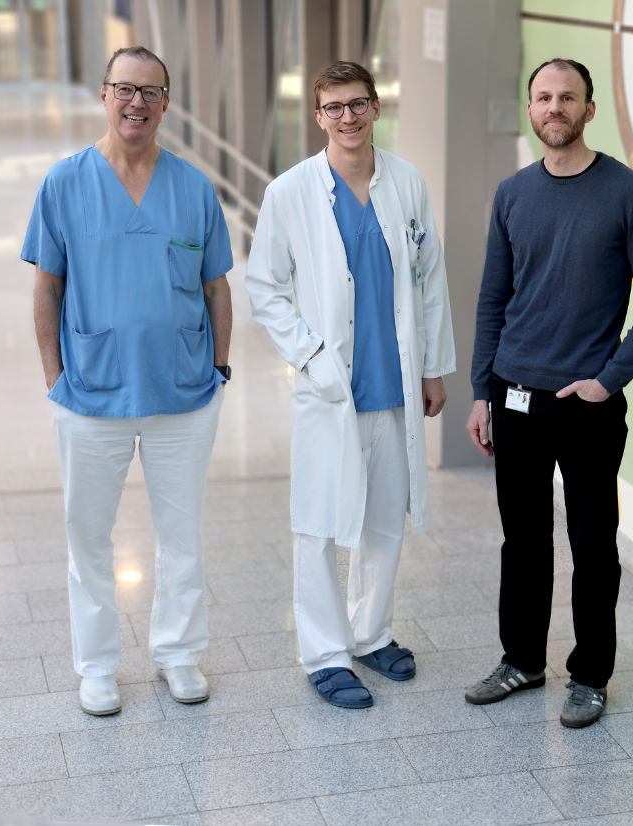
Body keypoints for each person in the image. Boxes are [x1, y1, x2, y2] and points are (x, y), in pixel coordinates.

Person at [22, 46, 233, 716]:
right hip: (90, 394)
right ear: (104, 94)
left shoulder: (194, 188)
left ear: (166, 103)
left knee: (182, 534)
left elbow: (216, 287)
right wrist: (56, 378)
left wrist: (220, 369)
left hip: (183, 393)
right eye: (123, 89)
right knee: (87, 535)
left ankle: (178, 655)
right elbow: (46, 287)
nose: (135, 102)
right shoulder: (64, 183)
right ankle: (98, 666)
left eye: (150, 91)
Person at [464, 58, 633, 728]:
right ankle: (522, 661)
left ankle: (590, 675)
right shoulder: (512, 194)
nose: (555, 108)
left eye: (568, 98)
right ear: (531, 109)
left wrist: (609, 380)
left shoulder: (627, 193)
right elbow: (494, 297)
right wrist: (480, 391)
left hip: (587, 405)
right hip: (515, 395)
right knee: (521, 541)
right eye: (544, 97)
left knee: (593, 543)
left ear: (588, 109)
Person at [245, 61, 455, 709]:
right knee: (318, 522)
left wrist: (432, 366)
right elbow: (263, 286)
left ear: (375, 108)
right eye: (333, 107)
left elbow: (429, 277)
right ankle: (326, 653)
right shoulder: (291, 192)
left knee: (384, 519)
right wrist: (308, 354)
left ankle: (370, 634)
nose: (347, 117)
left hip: (393, 385)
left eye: (358, 104)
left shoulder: (406, 182)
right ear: (318, 117)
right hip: (330, 388)